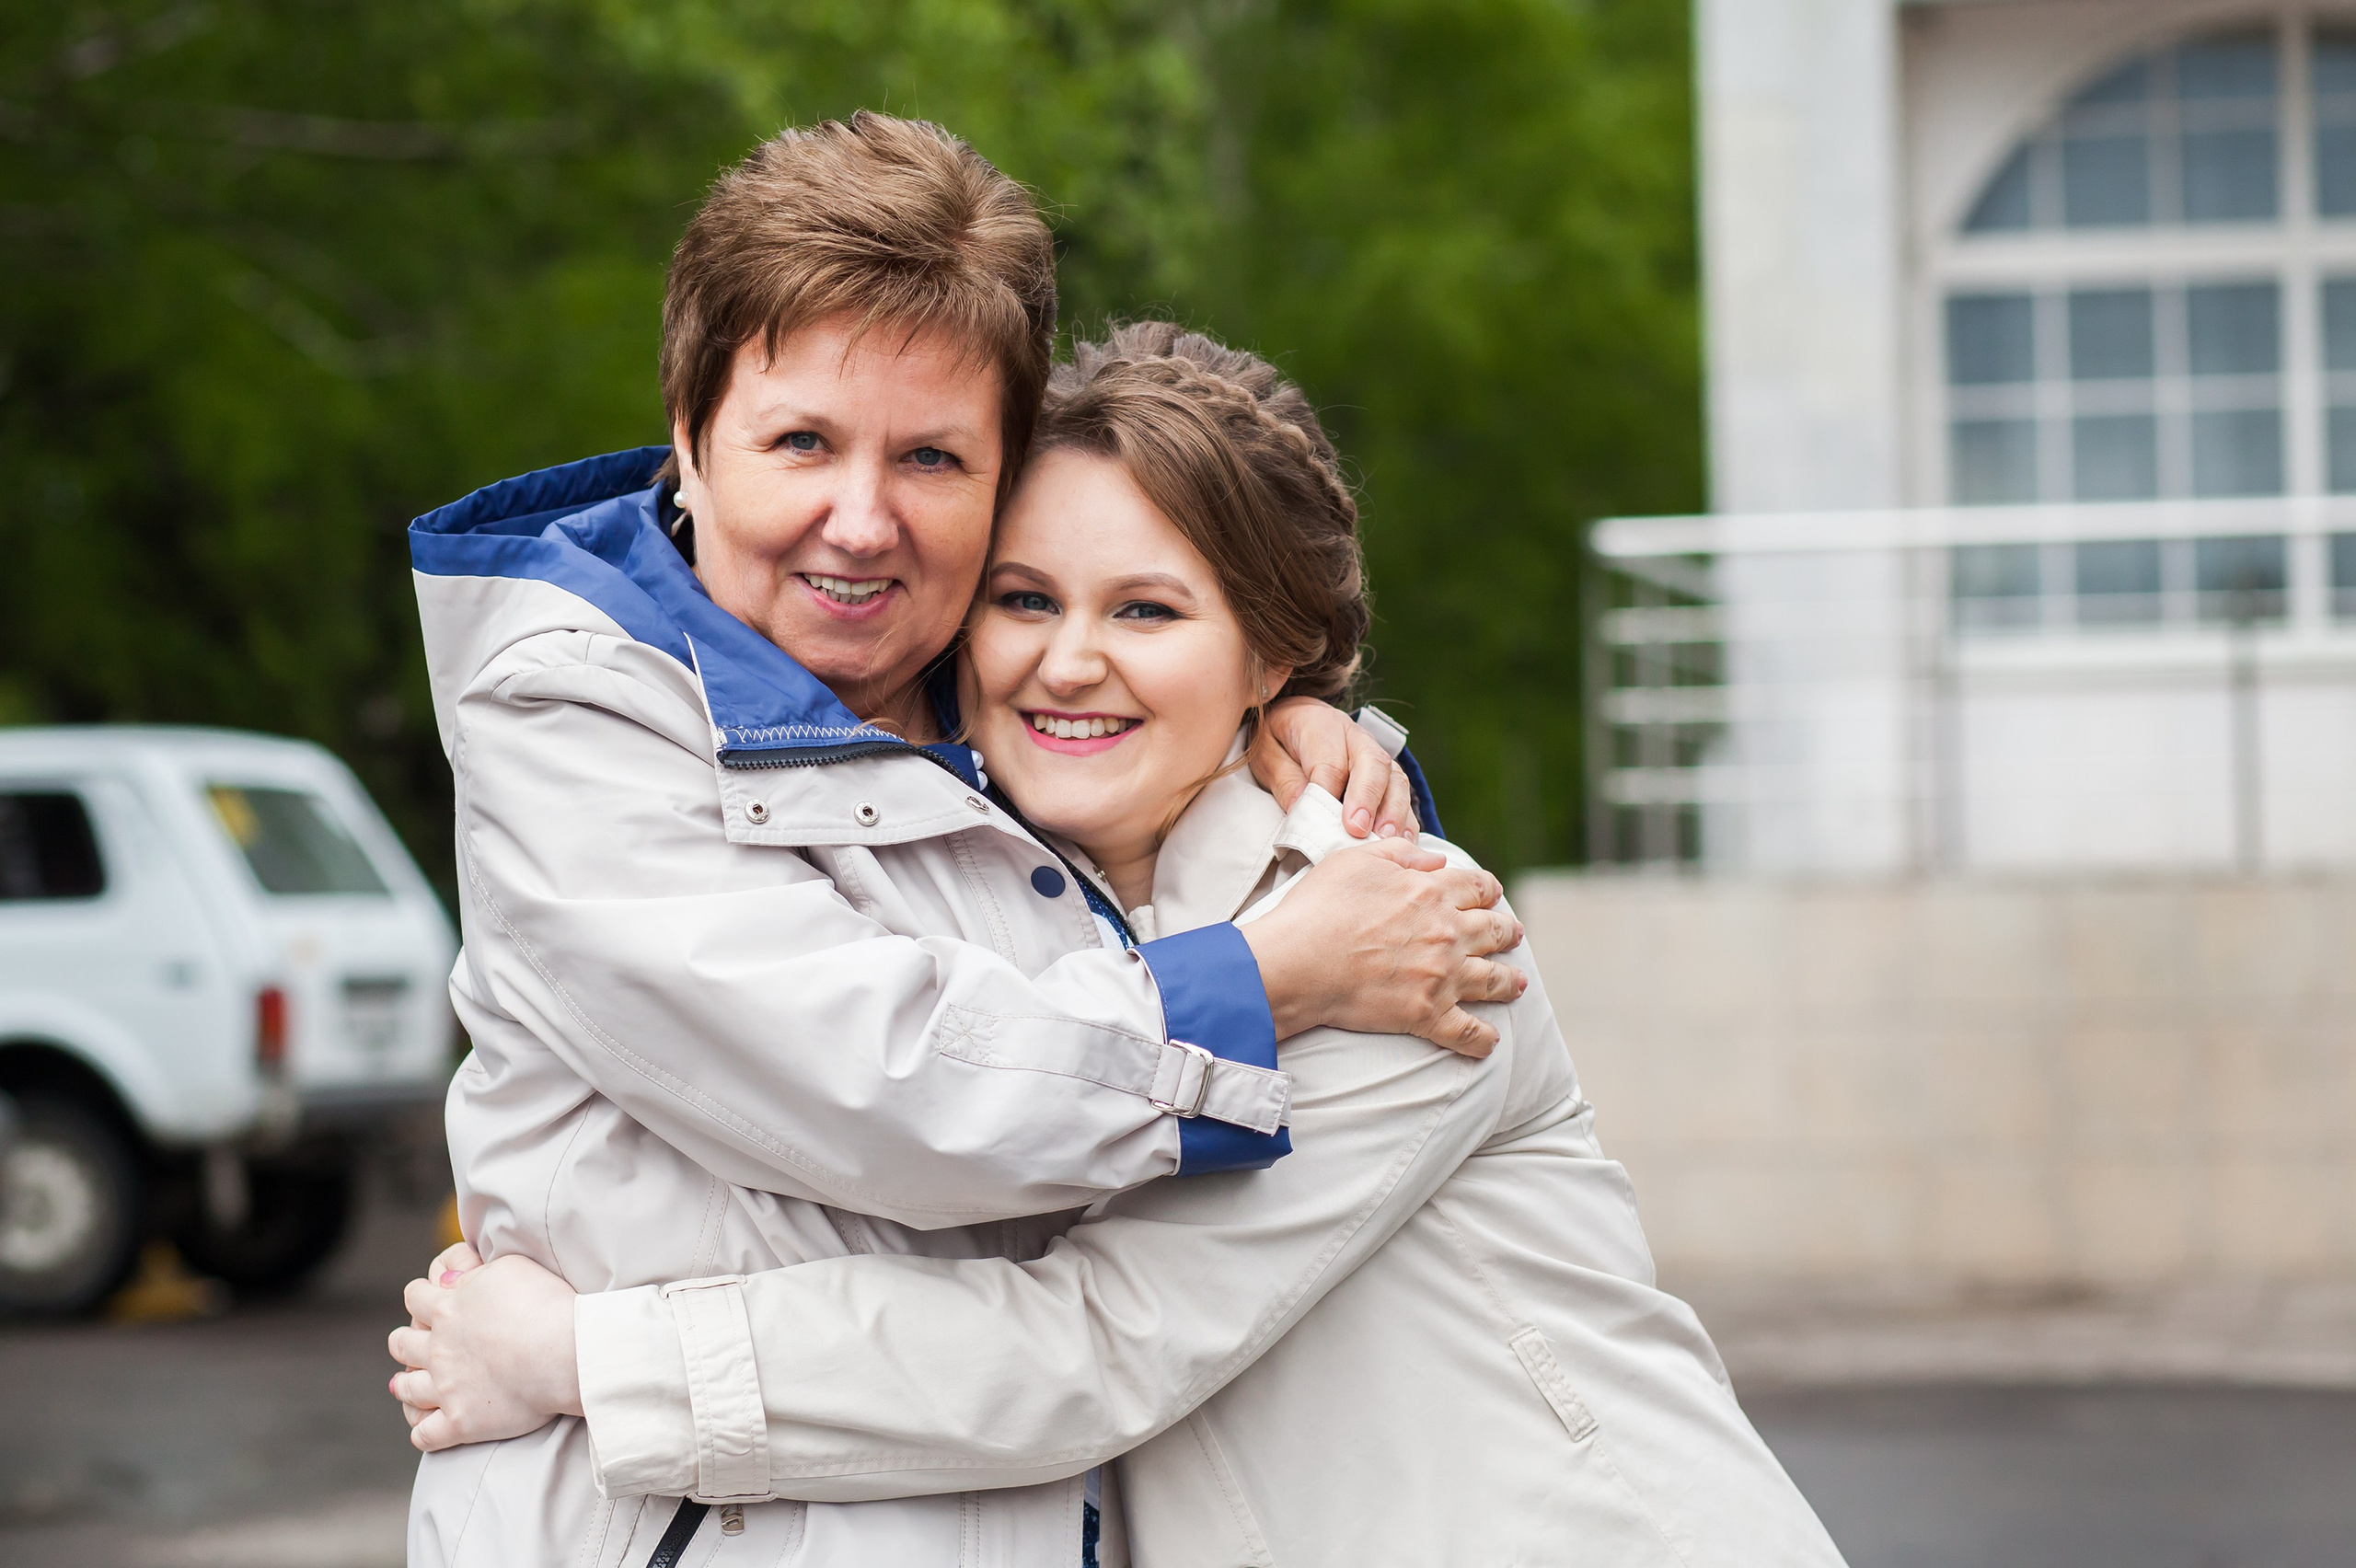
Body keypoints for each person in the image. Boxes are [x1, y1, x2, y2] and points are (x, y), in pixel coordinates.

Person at [394, 325, 1848, 1568]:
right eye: (1025, 598)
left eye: (1146, 609)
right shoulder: (1026, 944)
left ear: (1273, 653)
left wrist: (583, 1360)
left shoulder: (1395, 937)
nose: (1067, 659)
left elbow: (1084, 1346)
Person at [398, 116, 1523, 1568]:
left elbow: (1152, 661)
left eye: (931, 459)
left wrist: (1299, 723)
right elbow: (889, 1088)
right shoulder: (574, 717)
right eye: (801, 441)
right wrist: (1266, 976)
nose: (858, 522)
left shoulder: (997, 723)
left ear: (1001, 479)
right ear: (687, 436)